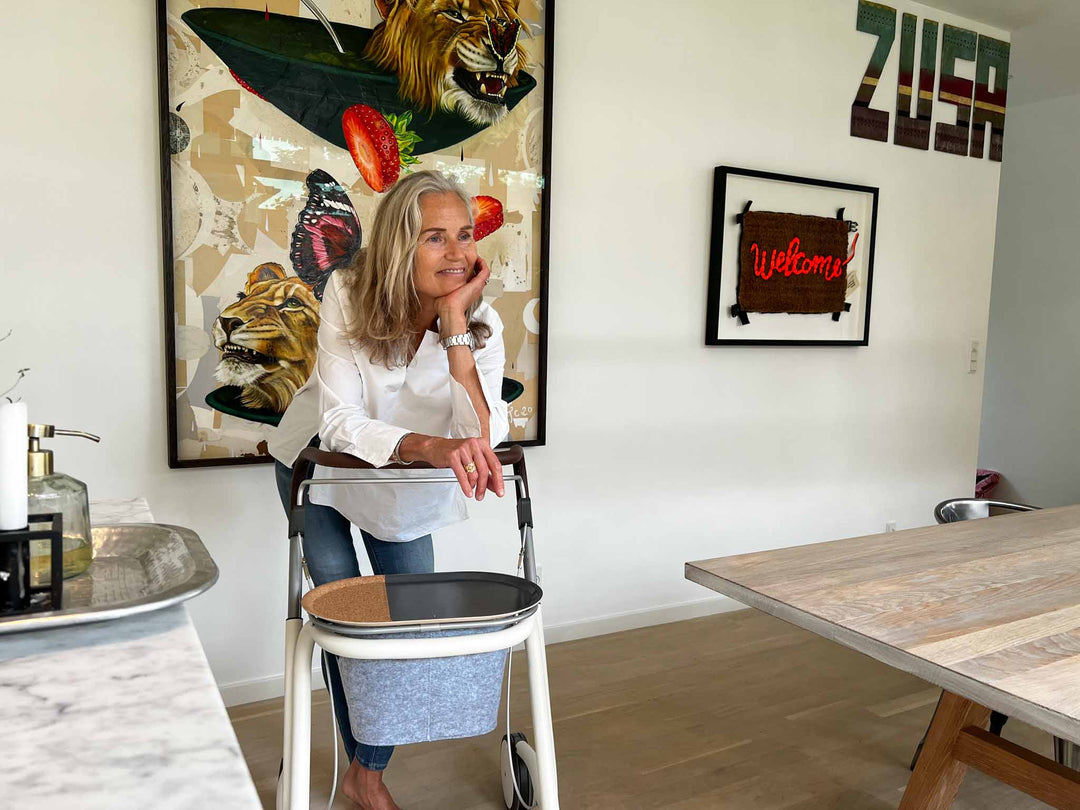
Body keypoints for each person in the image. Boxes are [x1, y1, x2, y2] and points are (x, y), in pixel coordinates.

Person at [269, 170, 510, 810]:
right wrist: (431, 447)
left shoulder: (481, 321)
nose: (458, 253)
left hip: (404, 489)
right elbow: (341, 422)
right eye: (435, 237)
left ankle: (362, 767)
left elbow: (486, 433)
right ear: (400, 243)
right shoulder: (348, 294)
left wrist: (456, 335)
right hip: (318, 466)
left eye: (464, 235)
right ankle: (367, 776)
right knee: (347, 620)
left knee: (404, 630)